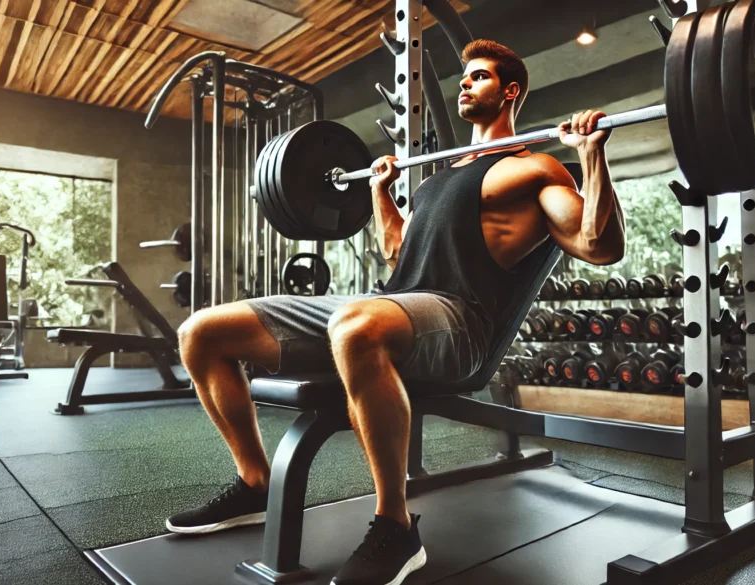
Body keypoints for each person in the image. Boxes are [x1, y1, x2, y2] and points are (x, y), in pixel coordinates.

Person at [165, 39, 626, 585]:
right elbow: (397, 254)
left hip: (460, 322)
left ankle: (395, 525)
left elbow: (598, 244)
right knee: (201, 332)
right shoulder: (435, 178)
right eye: (463, 77)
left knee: (357, 323)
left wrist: (592, 155)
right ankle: (255, 483)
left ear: (510, 91)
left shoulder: (536, 168)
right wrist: (383, 192)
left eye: (477, 77)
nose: (464, 84)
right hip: (396, 305)